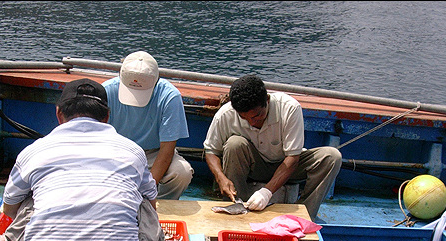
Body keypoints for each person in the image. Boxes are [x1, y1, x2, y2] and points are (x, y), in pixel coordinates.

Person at [2, 78, 164, 241]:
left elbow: (9, 211)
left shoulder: (33, 152)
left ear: (58, 114)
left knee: (27, 197)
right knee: (143, 198)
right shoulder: (132, 151)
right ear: (107, 116)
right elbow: (151, 203)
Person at [203, 74, 342, 220]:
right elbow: (211, 151)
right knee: (234, 144)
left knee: (332, 157)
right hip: (254, 166)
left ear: (267, 100)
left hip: (287, 166)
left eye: (257, 116)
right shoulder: (225, 114)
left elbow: (292, 159)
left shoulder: (289, 108)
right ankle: (237, 208)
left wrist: (266, 192)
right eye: (244, 118)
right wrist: (221, 178)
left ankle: (304, 217)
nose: (252, 122)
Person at [102, 51, 194, 200]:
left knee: (181, 173)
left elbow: (167, 150)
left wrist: (146, 191)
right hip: (116, 151)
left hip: (153, 153)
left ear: (156, 81)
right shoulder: (106, 91)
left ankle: (161, 205)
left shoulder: (170, 96)